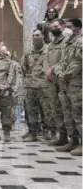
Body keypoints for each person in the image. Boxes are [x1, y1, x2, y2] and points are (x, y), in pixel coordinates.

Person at [54, 18, 82, 156]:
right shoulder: (67, 44)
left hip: (77, 84)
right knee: (68, 114)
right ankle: (73, 140)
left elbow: (77, 63)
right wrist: (59, 73)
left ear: (77, 28)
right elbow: (61, 62)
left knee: (78, 114)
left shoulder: (81, 43)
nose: (66, 29)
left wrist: (65, 75)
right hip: (65, 84)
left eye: (69, 26)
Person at [21, 29, 53, 142]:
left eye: (38, 35)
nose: (35, 37)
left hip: (44, 85)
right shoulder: (28, 51)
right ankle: (33, 132)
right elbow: (23, 67)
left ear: (43, 36)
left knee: (47, 110)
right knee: (31, 110)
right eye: (33, 35)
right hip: (31, 86)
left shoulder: (48, 49)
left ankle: (48, 131)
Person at [45, 18, 70, 146]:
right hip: (51, 81)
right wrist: (47, 72)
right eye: (52, 27)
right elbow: (46, 60)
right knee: (55, 109)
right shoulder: (51, 44)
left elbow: (65, 60)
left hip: (62, 80)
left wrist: (52, 70)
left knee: (65, 109)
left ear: (63, 26)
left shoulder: (67, 42)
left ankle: (73, 138)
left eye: (56, 26)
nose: (54, 28)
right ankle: (62, 136)